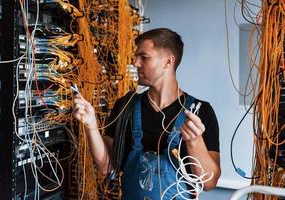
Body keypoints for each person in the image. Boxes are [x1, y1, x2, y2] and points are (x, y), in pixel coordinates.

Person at [73, 28, 221, 199]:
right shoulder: (125, 106)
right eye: (137, 57)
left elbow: (209, 183)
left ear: (168, 62)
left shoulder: (200, 111)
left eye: (144, 57)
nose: (136, 63)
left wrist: (195, 142)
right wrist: (91, 125)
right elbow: (106, 166)